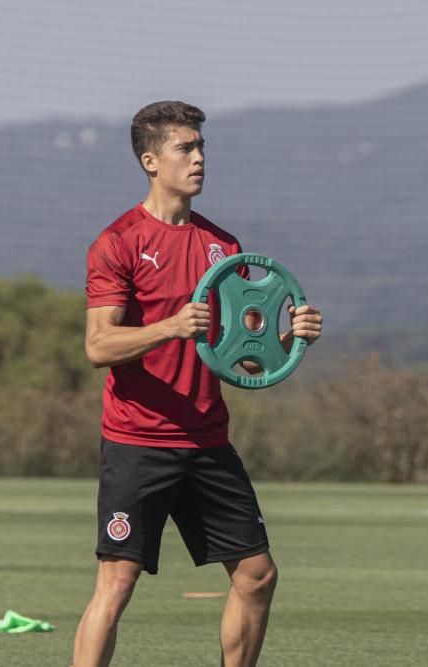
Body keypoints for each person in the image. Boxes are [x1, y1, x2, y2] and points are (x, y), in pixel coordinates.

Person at [74, 100, 322, 667]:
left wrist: (292, 337)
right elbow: (98, 346)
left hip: (208, 441)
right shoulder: (117, 242)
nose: (199, 158)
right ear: (150, 160)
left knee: (258, 576)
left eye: (202, 147)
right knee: (117, 583)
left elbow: (247, 359)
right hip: (138, 441)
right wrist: (170, 326)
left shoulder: (224, 248)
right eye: (185, 148)